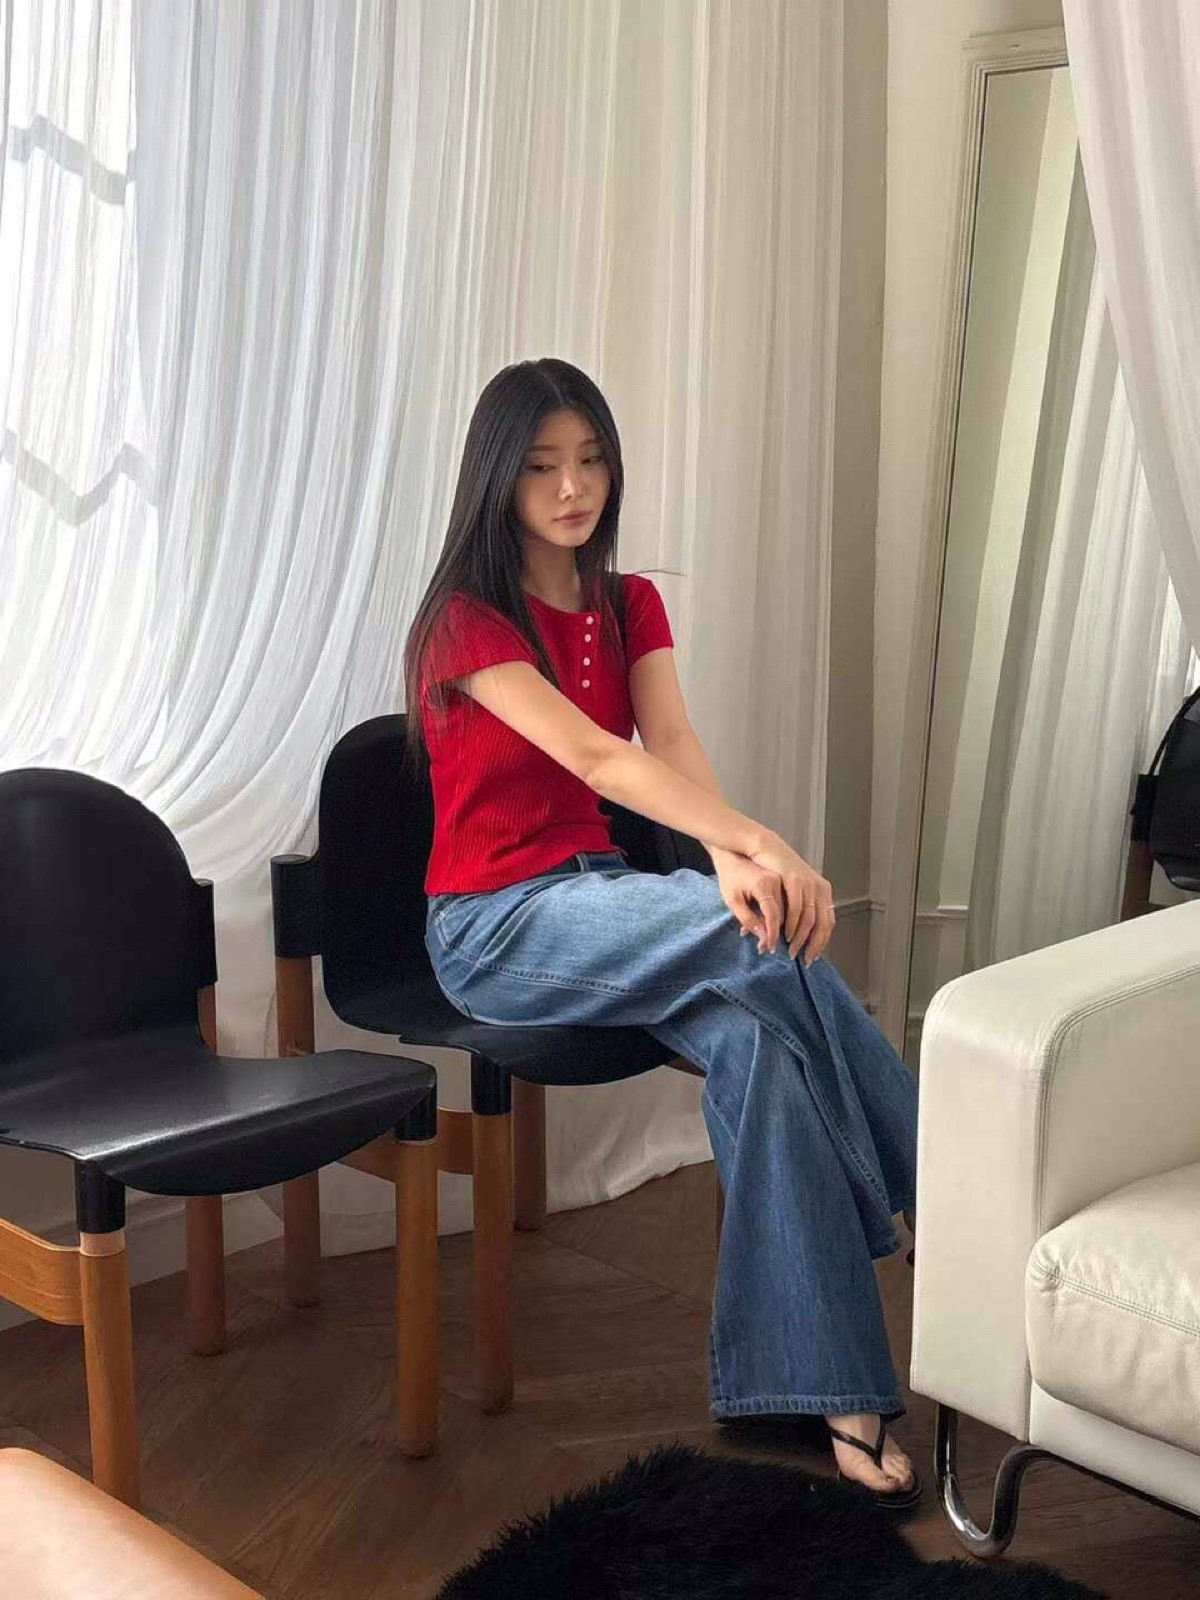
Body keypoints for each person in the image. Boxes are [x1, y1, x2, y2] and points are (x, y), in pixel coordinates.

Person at [404, 358, 921, 1507]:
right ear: (497, 479)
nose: (572, 487)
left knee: (760, 1041)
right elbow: (597, 757)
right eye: (542, 466)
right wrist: (765, 848)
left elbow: (671, 743)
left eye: (591, 459)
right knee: (762, 939)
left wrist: (735, 856)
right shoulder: (463, 621)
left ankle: (825, 1386)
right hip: (495, 924)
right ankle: (943, 1192)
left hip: (606, 898)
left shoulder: (629, 602)